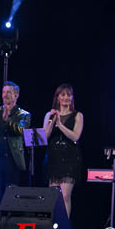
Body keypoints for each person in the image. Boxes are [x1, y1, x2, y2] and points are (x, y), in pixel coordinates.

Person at [0, 81, 30, 208]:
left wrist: (7, 121)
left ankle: (8, 227)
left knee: (10, 198)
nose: (5, 95)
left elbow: (21, 130)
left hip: (12, 160)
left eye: (9, 92)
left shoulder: (23, 115)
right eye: (4, 92)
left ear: (16, 95)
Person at [43, 83, 83, 217]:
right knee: (53, 197)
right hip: (54, 158)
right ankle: (54, 228)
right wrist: (53, 120)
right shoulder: (50, 115)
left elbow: (75, 136)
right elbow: (45, 136)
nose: (66, 97)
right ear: (58, 97)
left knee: (65, 196)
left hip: (70, 159)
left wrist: (60, 125)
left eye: (69, 95)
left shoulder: (78, 115)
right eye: (63, 94)